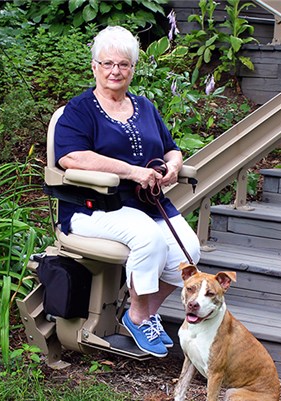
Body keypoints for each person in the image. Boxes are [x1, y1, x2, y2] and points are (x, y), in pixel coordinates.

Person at [54, 26, 201, 358]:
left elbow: (171, 149)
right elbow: (72, 156)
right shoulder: (79, 110)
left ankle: (147, 313)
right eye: (107, 64)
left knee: (188, 253)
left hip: (147, 203)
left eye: (123, 64)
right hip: (92, 206)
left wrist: (173, 167)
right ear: (94, 67)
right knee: (148, 238)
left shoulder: (145, 107)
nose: (115, 71)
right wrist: (132, 171)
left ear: (133, 69)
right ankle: (136, 315)